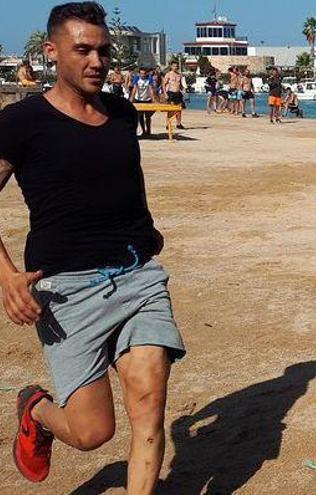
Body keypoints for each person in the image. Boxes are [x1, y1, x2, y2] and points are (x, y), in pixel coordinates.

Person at [1, 3, 186, 492]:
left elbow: (121, 184)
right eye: (83, 49)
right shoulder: (22, 122)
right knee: (92, 432)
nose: (97, 61)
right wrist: (6, 275)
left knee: (149, 402)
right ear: (51, 52)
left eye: (103, 50)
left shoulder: (123, 113)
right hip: (67, 291)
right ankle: (36, 409)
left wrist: (146, 232)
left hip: (137, 275)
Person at [130, 66, 157, 137]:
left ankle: (148, 131)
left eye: (144, 73)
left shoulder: (149, 78)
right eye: (141, 73)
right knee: (140, 116)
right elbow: (134, 89)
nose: (142, 75)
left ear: (146, 74)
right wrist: (131, 100)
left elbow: (151, 90)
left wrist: (153, 100)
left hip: (147, 99)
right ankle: (143, 131)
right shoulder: (136, 78)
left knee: (148, 116)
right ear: (139, 74)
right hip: (138, 99)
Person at [162, 61, 185, 129]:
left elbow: (180, 85)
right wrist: (165, 94)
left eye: (176, 66)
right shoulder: (168, 74)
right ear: (171, 66)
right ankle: (168, 124)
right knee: (171, 109)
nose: (175, 67)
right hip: (171, 92)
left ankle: (178, 123)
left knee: (179, 109)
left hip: (178, 93)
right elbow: (163, 84)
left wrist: (183, 90)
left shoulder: (179, 75)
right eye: (174, 66)